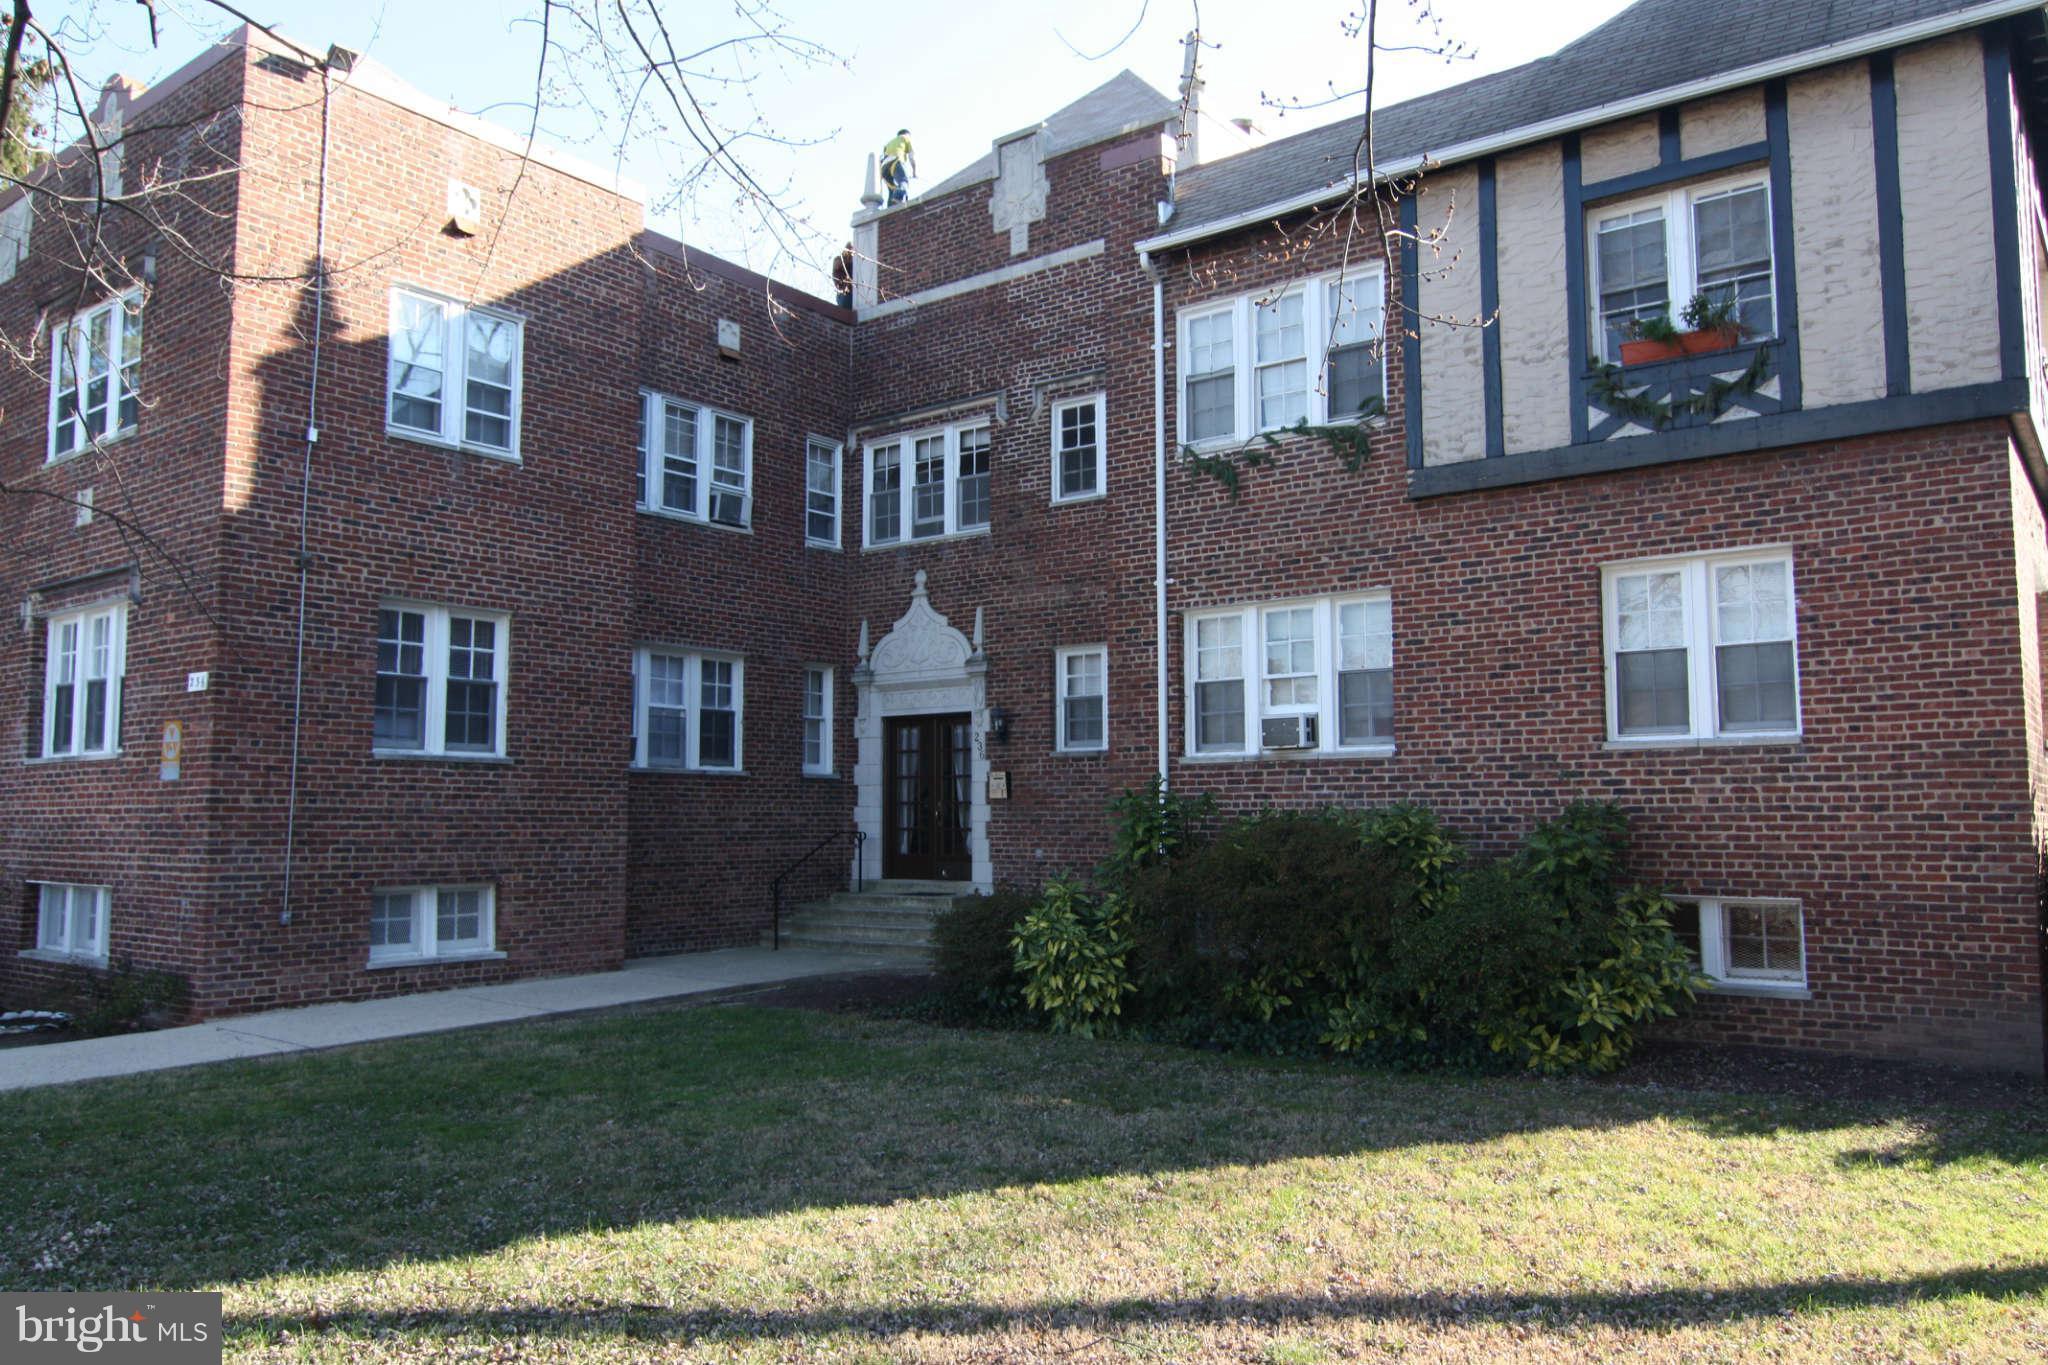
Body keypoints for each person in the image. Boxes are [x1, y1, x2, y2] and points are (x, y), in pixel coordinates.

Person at [881, 129, 916, 206]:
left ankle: (890, 209)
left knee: (892, 190)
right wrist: (914, 172)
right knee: (904, 182)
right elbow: (911, 158)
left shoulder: (889, 143)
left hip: (884, 167)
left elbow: (882, 157)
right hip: (896, 161)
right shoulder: (906, 138)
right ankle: (897, 198)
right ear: (907, 134)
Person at [831, 243, 855, 308]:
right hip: (844, 294)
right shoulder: (839, 259)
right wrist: (850, 259)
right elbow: (838, 265)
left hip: (852, 293)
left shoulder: (853, 263)